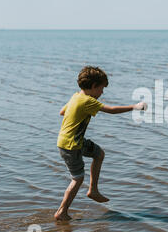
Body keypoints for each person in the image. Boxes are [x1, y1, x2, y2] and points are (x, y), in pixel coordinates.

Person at [55, 66, 146, 221]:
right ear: (93, 87)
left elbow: (62, 112)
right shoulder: (87, 101)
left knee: (99, 153)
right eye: (102, 89)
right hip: (71, 145)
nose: (102, 93)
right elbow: (111, 109)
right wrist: (135, 107)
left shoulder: (76, 97)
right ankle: (61, 212)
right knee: (77, 178)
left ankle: (93, 190)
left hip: (73, 141)